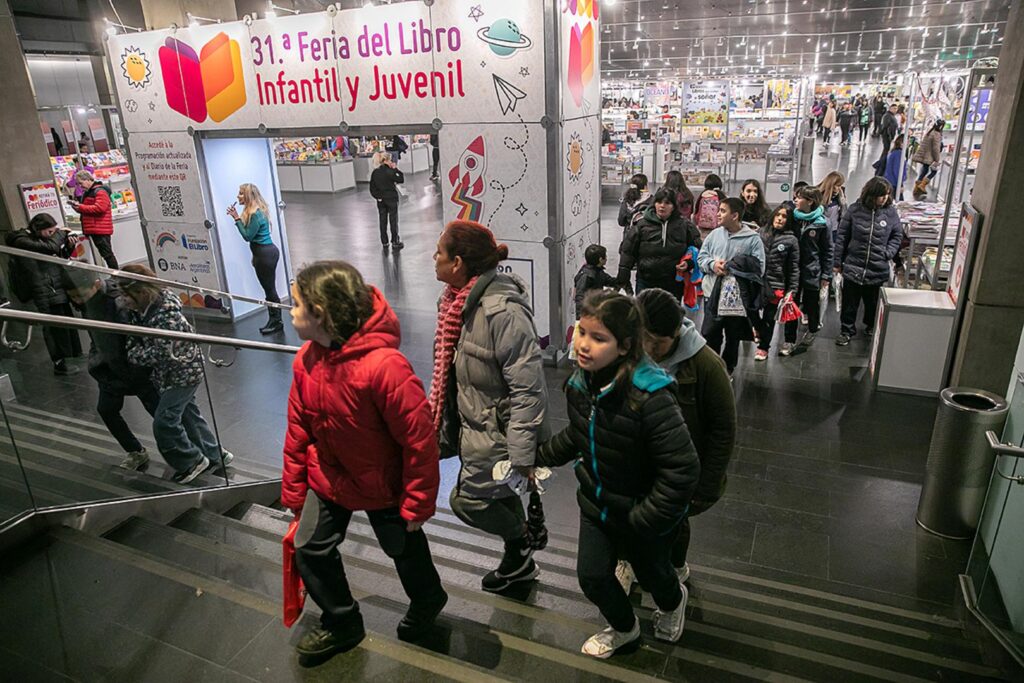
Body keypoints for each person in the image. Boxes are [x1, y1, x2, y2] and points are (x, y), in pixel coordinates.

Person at [281, 261, 447, 660]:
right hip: (330, 477)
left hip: (383, 484)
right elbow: (298, 428)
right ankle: (342, 621)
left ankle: (428, 599)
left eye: (297, 303)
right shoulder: (306, 359)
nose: (290, 311)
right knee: (310, 548)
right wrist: (294, 487)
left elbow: (420, 440)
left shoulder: (385, 368)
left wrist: (418, 502)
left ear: (320, 313)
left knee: (403, 548)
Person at [536, 290, 699, 658]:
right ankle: (625, 628)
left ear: (625, 346)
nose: (584, 345)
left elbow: (682, 468)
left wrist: (646, 517)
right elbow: (580, 433)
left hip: (643, 513)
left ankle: (674, 604)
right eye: (581, 332)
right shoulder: (583, 383)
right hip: (596, 504)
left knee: (657, 575)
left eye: (598, 338)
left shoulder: (651, 397)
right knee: (592, 577)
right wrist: (538, 456)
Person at [430, 221, 549, 593]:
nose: (433, 258)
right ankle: (519, 562)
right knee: (499, 495)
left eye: (439, 252)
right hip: (472, 423)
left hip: (496, 431)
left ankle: (521, 542)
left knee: (466, 501)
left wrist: (522, 454)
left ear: (458, 263)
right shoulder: (455, 303)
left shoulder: (502, 312)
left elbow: (529, 389)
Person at [636, 288, 736, 582]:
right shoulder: (630, 352)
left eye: (658, 343)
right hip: (639, 465)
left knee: (674, 525)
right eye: (644, 339)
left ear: (676, 333)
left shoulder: (707, 366)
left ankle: (676, 569)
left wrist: (706, 487)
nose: (649, 349)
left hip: (679, 472)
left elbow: (723, 431)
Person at [119, 264, 233, 484]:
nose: (123, 299)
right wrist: (138, 350)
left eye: (126, 294)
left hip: (184, 373)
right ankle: (216, 454)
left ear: (142, 292)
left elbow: (158, 352)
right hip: (169, 373)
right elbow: (135, 340)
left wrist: (135, 354)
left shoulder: (165, 314)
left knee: (165, 421)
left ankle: (191, 461)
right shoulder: (137, 310)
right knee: (189, 414)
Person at [73, 278, 160, 470]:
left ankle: (192, 450)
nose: (78, 300)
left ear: (95, 284)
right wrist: (97, 359)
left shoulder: (117, 302)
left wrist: (136, 366)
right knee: (107, 409)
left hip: (133, 368)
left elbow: (131, 338)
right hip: (110, 369)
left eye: (80, 295)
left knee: (160, 413)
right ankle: (135, 451)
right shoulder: (90, 303)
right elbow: (97, 337)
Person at [5, 213, 83, 374]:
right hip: (43, 288)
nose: (52, 235)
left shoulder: (38, 239)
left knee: (65, 324)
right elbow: (51, 248)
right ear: (37, 229)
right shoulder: (21, 241)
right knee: (53, 328)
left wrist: (68, 245)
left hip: (54, 284)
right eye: (49, 232)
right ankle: (60, 362)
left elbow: (56, 255)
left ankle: (70, 355)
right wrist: (62, 233)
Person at [696, 198, 766, 375]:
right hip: (712, 293)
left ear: (734, 215)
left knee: (733, 335)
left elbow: (760, 268)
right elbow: (701, 258)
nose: (717, 214)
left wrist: (737, 268)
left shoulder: (753, 239)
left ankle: (728, 368)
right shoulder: (714, 235)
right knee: (710, 334)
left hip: (736, 300)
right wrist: (713, 265)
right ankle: (712, 368)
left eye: (722, 211)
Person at [834, 178, 903, 346]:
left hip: (877, 267)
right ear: (871, 194)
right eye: (881, 195)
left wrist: (888, 253)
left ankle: (871, 326)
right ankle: (846, 330)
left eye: (887, 195)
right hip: (853, 265)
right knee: (850, 303)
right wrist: (838, 262)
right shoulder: (854, 210)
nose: (885, 198)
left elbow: (897, 235)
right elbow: (842, 236)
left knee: (872, 302)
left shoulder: (891, 213)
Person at [617, 188, 702, 301]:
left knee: (669, 316)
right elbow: (628, 252)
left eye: (667, 203)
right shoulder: (641, 226)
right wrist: (623, 275)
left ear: (673, 206)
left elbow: (698, 249)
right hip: (646, 280)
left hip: (673, 282)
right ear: (654, 204)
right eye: (659, 202)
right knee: (644, 315)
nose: (662, 206)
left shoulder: (685, 226)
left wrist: (689, 263)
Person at [227, 183, 283, 335]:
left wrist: (236, 218)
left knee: (270, 290)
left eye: (240, 193)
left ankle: (276, 321)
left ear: (248, 195)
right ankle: (275, 320)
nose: (238, 196)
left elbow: (247, 236)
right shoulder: (255, 211)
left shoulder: (255, 214)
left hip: (265, 255)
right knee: (269, 289)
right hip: (263, 254)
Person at [787, 186, 833, 348]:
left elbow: (828, 250)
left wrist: (826, 275)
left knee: (811, 304)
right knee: (791, 303)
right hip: (793, 270)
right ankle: (789, 339)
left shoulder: (822, 223)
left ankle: (812, 329)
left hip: (812, 271)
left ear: (810, 201)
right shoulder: (792, 218)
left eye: (799, 198)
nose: (795, 201)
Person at [756, 206, 800, 359]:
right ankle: (757, 330)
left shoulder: (791, 240)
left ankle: (763, 348)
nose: (780, 218)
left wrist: (792, 291)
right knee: (752, 313)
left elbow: (794, 267)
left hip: (776, 285)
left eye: (784, 216)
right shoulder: (760, 233)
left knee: (769, 318)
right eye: (778, 215)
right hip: (757, 282)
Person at [69, 169, 117, 269]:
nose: (80, 186)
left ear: (87, 179)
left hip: (100, 229)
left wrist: (81, 207)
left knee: (107, 255)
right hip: (96, 228)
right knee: (106, 254)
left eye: (80, 183)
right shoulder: (89, 192)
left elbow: (100, 208)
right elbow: (90, 209)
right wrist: (78, 208)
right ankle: (116, 275)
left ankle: (117, 276)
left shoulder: (99, 191)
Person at [574, 244, 626, 318]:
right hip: (589, 313)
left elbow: (610, 281)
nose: (607, 259)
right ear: (600, 260)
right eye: (605, 256)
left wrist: (623, 276)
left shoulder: (598, 271)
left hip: (595, 310)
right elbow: (580, 297)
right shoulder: (586, 275)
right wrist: (580, 319)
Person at [369, 152, 405, 250]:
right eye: (389, 160)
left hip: (381, 200)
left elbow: (372, 188)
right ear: (386, 160)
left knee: (382, 220)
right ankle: (395, 241)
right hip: (391, 198)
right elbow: (401, 179)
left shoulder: (375, 172)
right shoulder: (390, 171)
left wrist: (378, 197)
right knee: (393, 220)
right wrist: (396, 169)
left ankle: (384, 241)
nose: (391, 162)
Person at [911, 120, 944, 198]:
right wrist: (937, 159)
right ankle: (922, 185)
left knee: (924, 171)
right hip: (930, 156)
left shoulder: (930, 132)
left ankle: (916, 188)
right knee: (934, 171)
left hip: (925, 155)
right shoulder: (937, 134)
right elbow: (936, 148)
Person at [694, 174, 727, 239]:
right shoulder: (721, 196)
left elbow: (696, 210)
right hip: (718, 229)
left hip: (701, 228)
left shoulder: (702, 195)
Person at [817, 171, 847, 242]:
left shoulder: (840, 195)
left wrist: (843, 202)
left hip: (835, 231)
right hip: (821, 230)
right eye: (837, 185)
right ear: (831, 184)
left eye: (841, 185)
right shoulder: (818, 195)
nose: (839, 188)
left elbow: (844, 215)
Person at [876, 103, 900, 176]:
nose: (895, 110)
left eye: (896, 108)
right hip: (887, 136)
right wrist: (889, 136)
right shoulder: (887, 116)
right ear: (890, 108)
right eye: (894, 108)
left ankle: (882, 162)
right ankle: (881, 163)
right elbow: (885, 126)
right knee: (886, 149)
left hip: (889, 136)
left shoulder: (891, 116)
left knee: (886, 150)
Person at [884, 134, 908, 199]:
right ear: (901, 143)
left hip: (890, 181)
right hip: (894, 183)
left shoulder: (893, 152)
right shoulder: (899, 154)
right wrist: (900, 184)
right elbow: (897, 171)